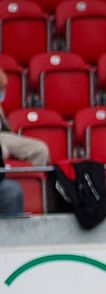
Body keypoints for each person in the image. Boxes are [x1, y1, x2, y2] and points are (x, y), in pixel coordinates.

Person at [0, 67, 49, 215]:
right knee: (2, 152)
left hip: (3, 135)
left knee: (40, 150)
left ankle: (32, 195)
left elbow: (3, 80)